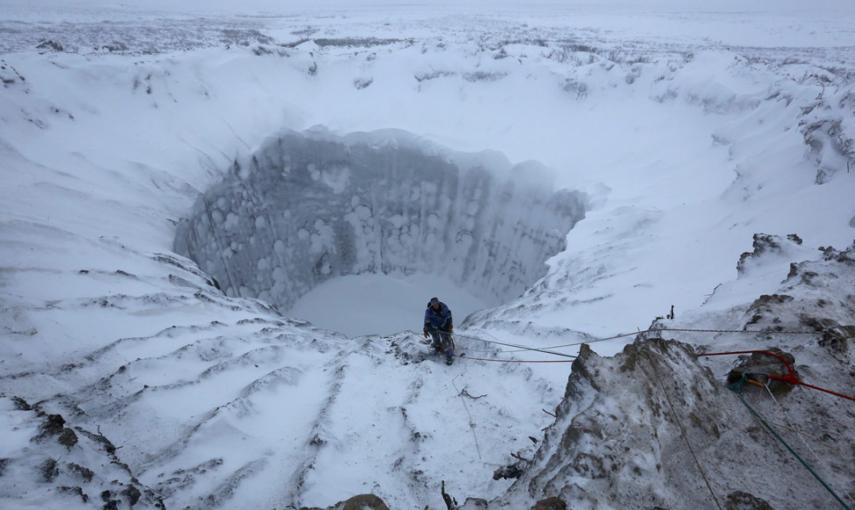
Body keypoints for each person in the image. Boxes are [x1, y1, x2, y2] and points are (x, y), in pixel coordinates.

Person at [423, 297, 454, 365]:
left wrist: (450, 325)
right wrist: (425, 330)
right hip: (434, 327)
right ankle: (438, 347)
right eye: (433, 304)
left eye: (436, 303)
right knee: (435, 338)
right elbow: (427, 321)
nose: (435, 305)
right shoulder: (429, 311)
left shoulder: (444, 308)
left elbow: (449, 317)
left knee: (446, 338)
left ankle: (449, 355)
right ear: (431, 305)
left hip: (444, 325)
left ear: (438, 303)